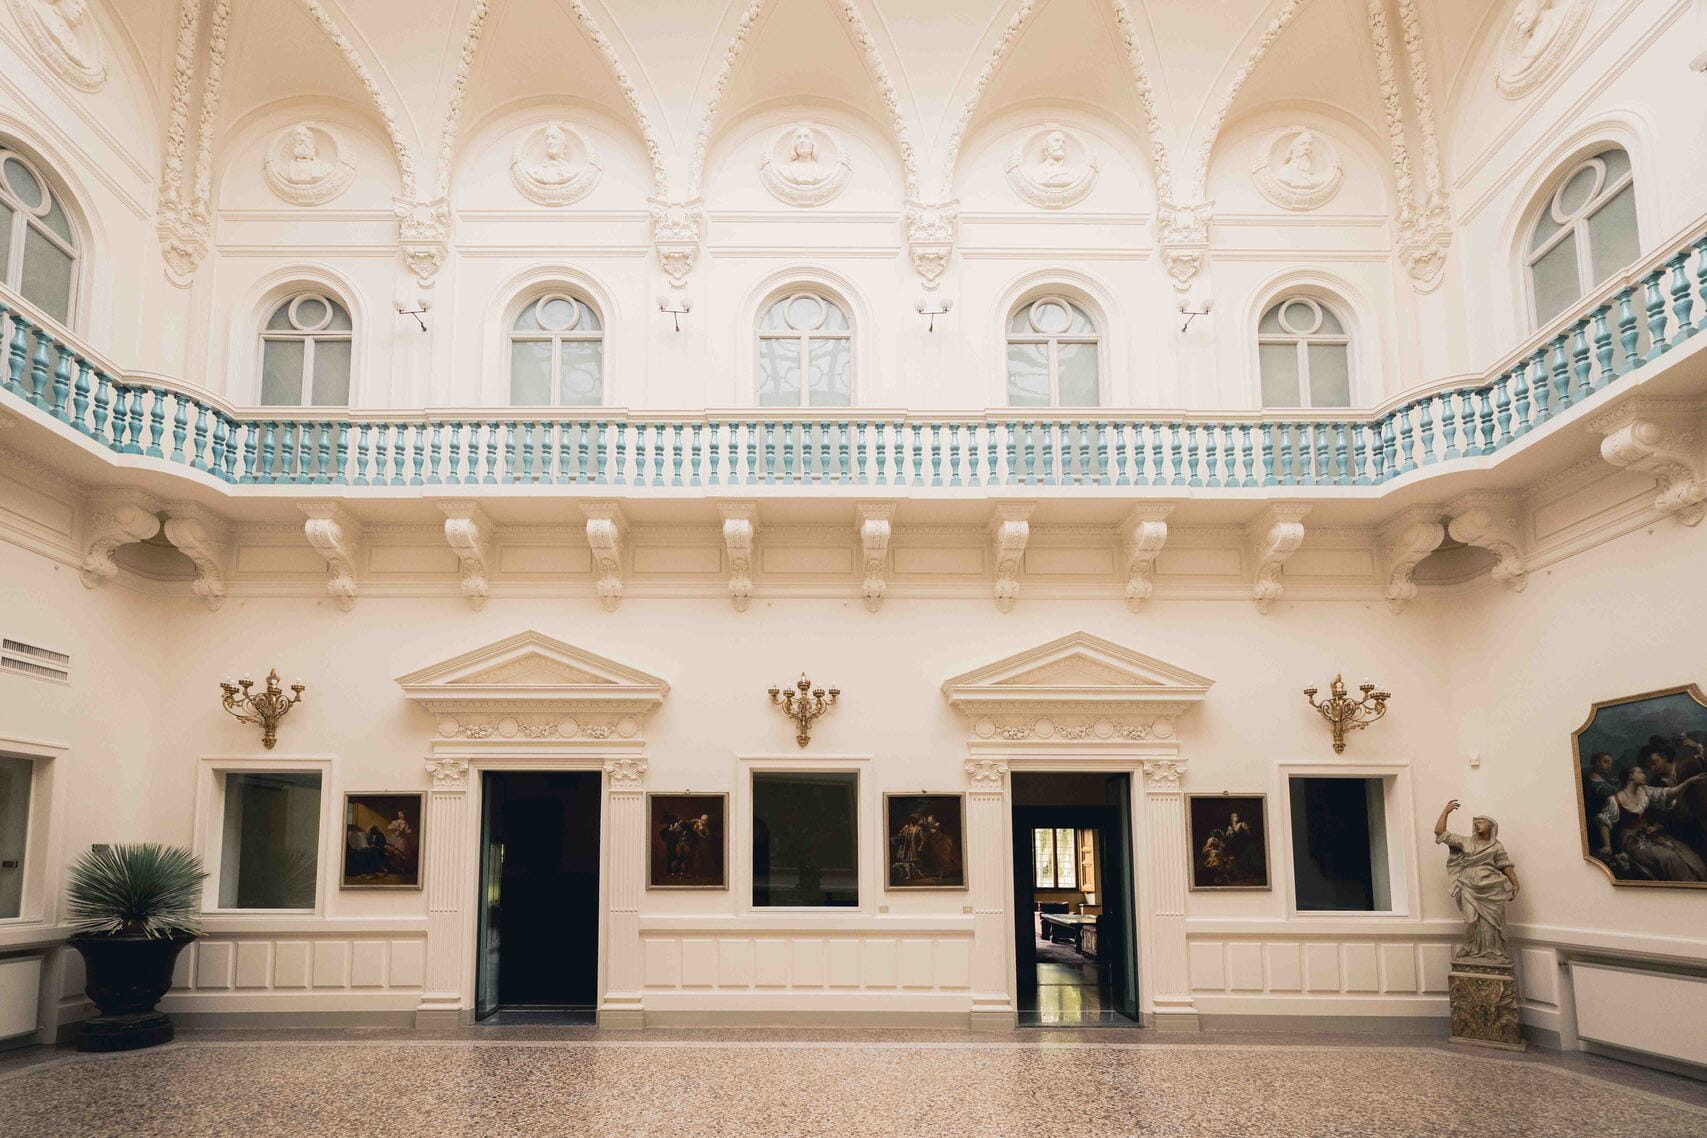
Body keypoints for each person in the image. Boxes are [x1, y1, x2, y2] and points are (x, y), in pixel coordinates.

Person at [1434, 800, 1520, 962]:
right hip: (1468, 886)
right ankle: (1469, 947)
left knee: (1490, 922)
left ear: (1491, 826)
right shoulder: (1465, 842)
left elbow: (1505, 865)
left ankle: (1492, 950)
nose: (1476, 824)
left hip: (1491, 888)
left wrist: (1515, 883)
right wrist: (1445, 812)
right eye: (1475, 822)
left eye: (1481, 822)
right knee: (1470, 919)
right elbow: (1440, 832)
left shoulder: (1496, 847)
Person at [1596, 766, 1707, 881]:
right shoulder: (1615, 799)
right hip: (1632, 841)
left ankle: (1700, 883)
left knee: (1685, 852)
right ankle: (1688, 885)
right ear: (1631, 776)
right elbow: (1604, 821)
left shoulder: (1645, 791)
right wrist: (1607, 845)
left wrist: (1688, 782)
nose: (1644, 775)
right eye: (1640, 772)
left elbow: (1670, 793)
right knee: (1668, 857)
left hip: (1651, 834)